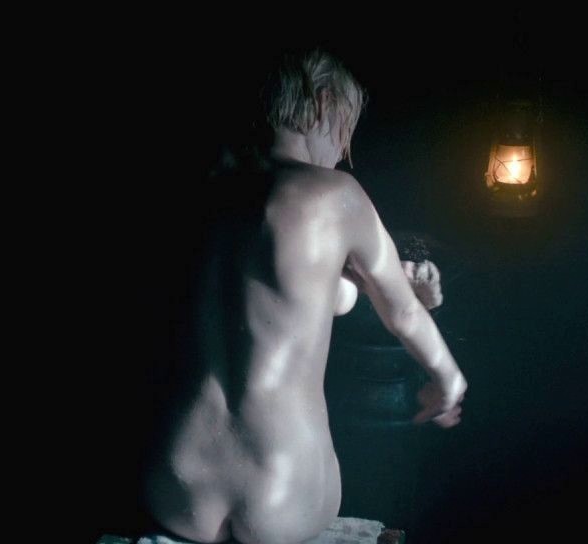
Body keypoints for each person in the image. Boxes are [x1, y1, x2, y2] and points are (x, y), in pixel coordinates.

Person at [144, 49, 467, 544]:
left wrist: (360, 282)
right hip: (280, 489)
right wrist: (448, 379)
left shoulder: (208, 185)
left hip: (176, 483)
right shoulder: (337, 194)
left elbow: (275, 293)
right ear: (322, 104)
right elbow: (403, 313)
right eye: (344, 132)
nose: (341, 152)